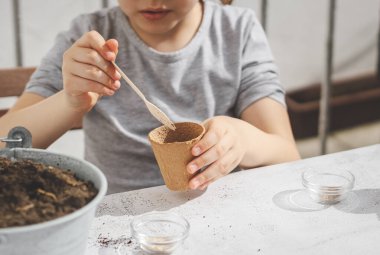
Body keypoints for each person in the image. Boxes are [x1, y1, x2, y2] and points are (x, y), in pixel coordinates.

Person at [0, 0, 300, 194]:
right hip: (114, 220)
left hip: (218, 215)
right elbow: (5, 143)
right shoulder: (88, 38)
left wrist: (244, 139)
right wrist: (68, 102)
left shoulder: (237, 32)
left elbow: (288, 156)